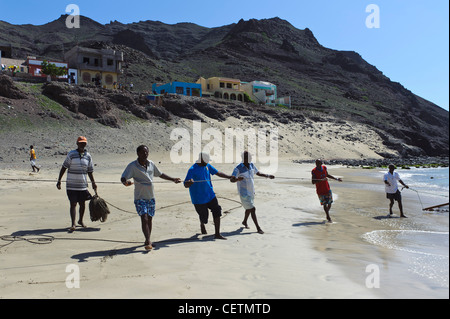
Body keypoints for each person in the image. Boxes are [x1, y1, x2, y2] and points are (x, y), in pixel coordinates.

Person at [121, 145, 181, 250]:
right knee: (144, 218)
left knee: (149, 219)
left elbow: (160, 174)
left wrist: (173, 179)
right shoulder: (133, 166)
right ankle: (148, 241)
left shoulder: (151, 164)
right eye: (143, 152)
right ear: (138, 153)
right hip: (140, 197)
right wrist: (125, 182)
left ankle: (147, 239)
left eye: (147, 152)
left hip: (151, 196)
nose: (145, 154)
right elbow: (124, 177)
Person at [184, 152, 233, 240]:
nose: (207, 162)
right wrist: (189, 182)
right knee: (204, 218)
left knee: (217, 210)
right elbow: (185, 184)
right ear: (201, 159)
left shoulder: (207, 166)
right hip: (199, 199)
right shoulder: (192, 169)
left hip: (210, 195)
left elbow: (218, 173)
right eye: (206, 161)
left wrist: (229, 177)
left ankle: (217, 234)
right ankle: (202, 223)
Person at [56, 136, 97, 232]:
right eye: (81, 143)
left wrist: (93, 183)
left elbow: (90, 171)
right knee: (73, 204)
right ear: (77, 143)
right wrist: (59, 180)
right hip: (71, 184)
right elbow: (64, 167)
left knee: (82, 204)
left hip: (82, 185)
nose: (82, 144)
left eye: (84, 143)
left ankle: (80, 221)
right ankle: (73, 223)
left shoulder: (88, 156)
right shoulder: (71, 154)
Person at [230, 151, 274, 234]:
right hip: (244, 193)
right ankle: (258, 228)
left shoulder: (252, 165)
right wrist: (237, 179)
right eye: (250, 157)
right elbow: (231, 179)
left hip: (251, 191)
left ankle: (244, 221)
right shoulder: (238, 168)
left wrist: (268, 176)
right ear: (244, 158)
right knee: (252, 209)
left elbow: (258, 173)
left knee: (249, 208)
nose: (251, 158)